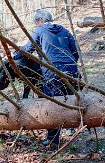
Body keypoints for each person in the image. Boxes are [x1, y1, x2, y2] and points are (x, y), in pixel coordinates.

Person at [13, 9, 81, 149]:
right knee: (69, 100)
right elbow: (75, 53)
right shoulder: (65, 31)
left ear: (40, 20)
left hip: (52, 71)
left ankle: (53, 141)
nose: (35, 25)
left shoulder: (39, 31)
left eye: (35, 22)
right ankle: (70, 128)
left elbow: (27, 49)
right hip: (71, 70)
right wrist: (69, 65)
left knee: (52, 104)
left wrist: (13, 55)